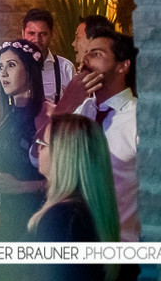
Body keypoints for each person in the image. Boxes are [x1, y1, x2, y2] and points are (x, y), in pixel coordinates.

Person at [54, 29, 138, 244]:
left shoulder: (139, 119)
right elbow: (38, 157)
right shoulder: (81, 109)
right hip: (74, 241)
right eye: (86, 53)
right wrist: (66, 104)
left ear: (122, 66)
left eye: (96, 54)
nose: (85, 60)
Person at [29, 115, 120, 281]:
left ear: (64, 156)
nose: (38, 149)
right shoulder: (89, 208)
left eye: (43, 143)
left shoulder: (62, 218)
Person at [0, 40, 47, 243]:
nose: (3, 73)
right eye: (0, 67)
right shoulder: (4, 116)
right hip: (1, 215)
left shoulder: (48, 115)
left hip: (33, 216)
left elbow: (69, 180)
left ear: (29, 70)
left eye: (11, 65)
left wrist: (21, 186)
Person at [0, 10, 74, 105]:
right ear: (23, 33)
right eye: (31, 33)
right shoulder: (5, 66)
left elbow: (76, 106)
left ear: (51, 34)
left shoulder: (65, 67)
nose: (37, 39)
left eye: (43, 34)